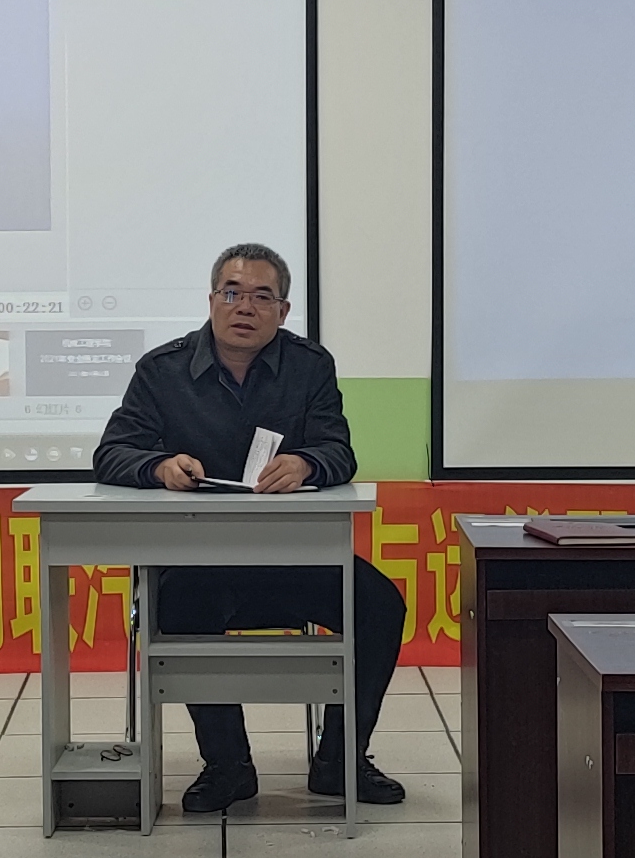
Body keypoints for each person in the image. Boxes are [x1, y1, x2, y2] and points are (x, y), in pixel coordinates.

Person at [90, 242, 408, 813]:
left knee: (379, 604)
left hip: (294, 557)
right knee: (179, 606)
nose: (245, 307)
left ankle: (340, 762)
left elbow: (339, 451)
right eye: (232, 293)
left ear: (283, 311)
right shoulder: (162, 370)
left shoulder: (309, 366)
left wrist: (307, 463)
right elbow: (112, 453)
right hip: (198, 559)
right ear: (212, 300)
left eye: (262, 297)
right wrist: (159, 467)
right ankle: (227, 766)